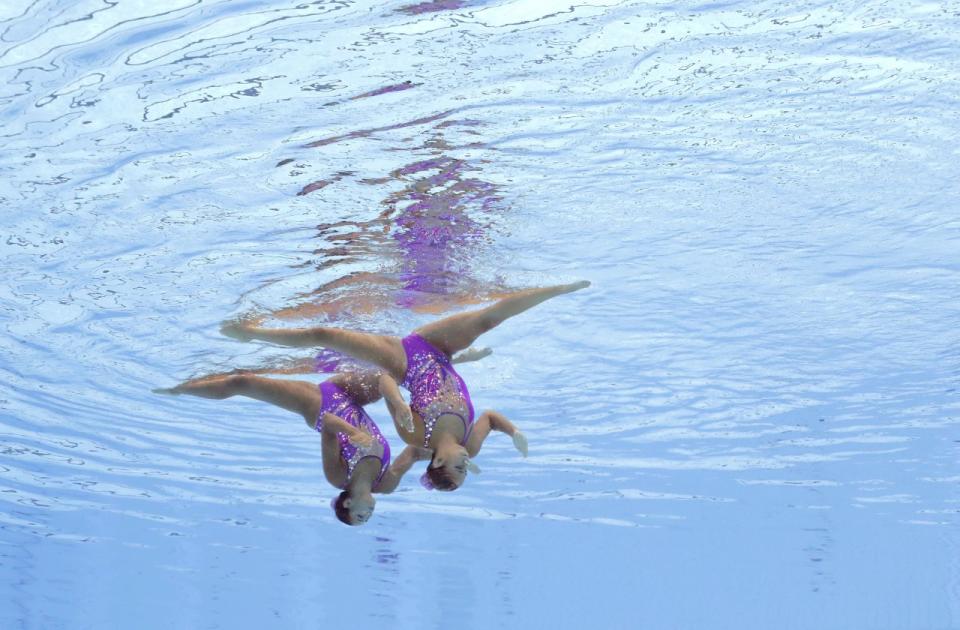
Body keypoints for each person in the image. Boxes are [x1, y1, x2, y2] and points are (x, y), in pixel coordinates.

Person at [221, 281, 590, 491]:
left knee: (325, 334)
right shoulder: (470, 447)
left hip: (406, 359)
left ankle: (252, 333)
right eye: (465, 471)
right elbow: (491, 417)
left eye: (458, 470)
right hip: (442, 350)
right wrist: (515, 432)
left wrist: (397, 402)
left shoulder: (414, 436)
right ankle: (558, 289)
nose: (467, 465)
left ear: (440, 461)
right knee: (487, 320)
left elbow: (384, 380)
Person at [158, 369, 427, 526]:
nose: (368, 515)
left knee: (243, 383)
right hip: (350, 395)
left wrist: (352, 432)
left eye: (359, 515)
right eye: (365, 518)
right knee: (386, 374)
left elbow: (330, 423)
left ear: (347, 502)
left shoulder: (337, 477)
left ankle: (179, 389)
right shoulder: (386, 484)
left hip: (319, 404)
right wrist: (456, 453)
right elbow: (414, 453)